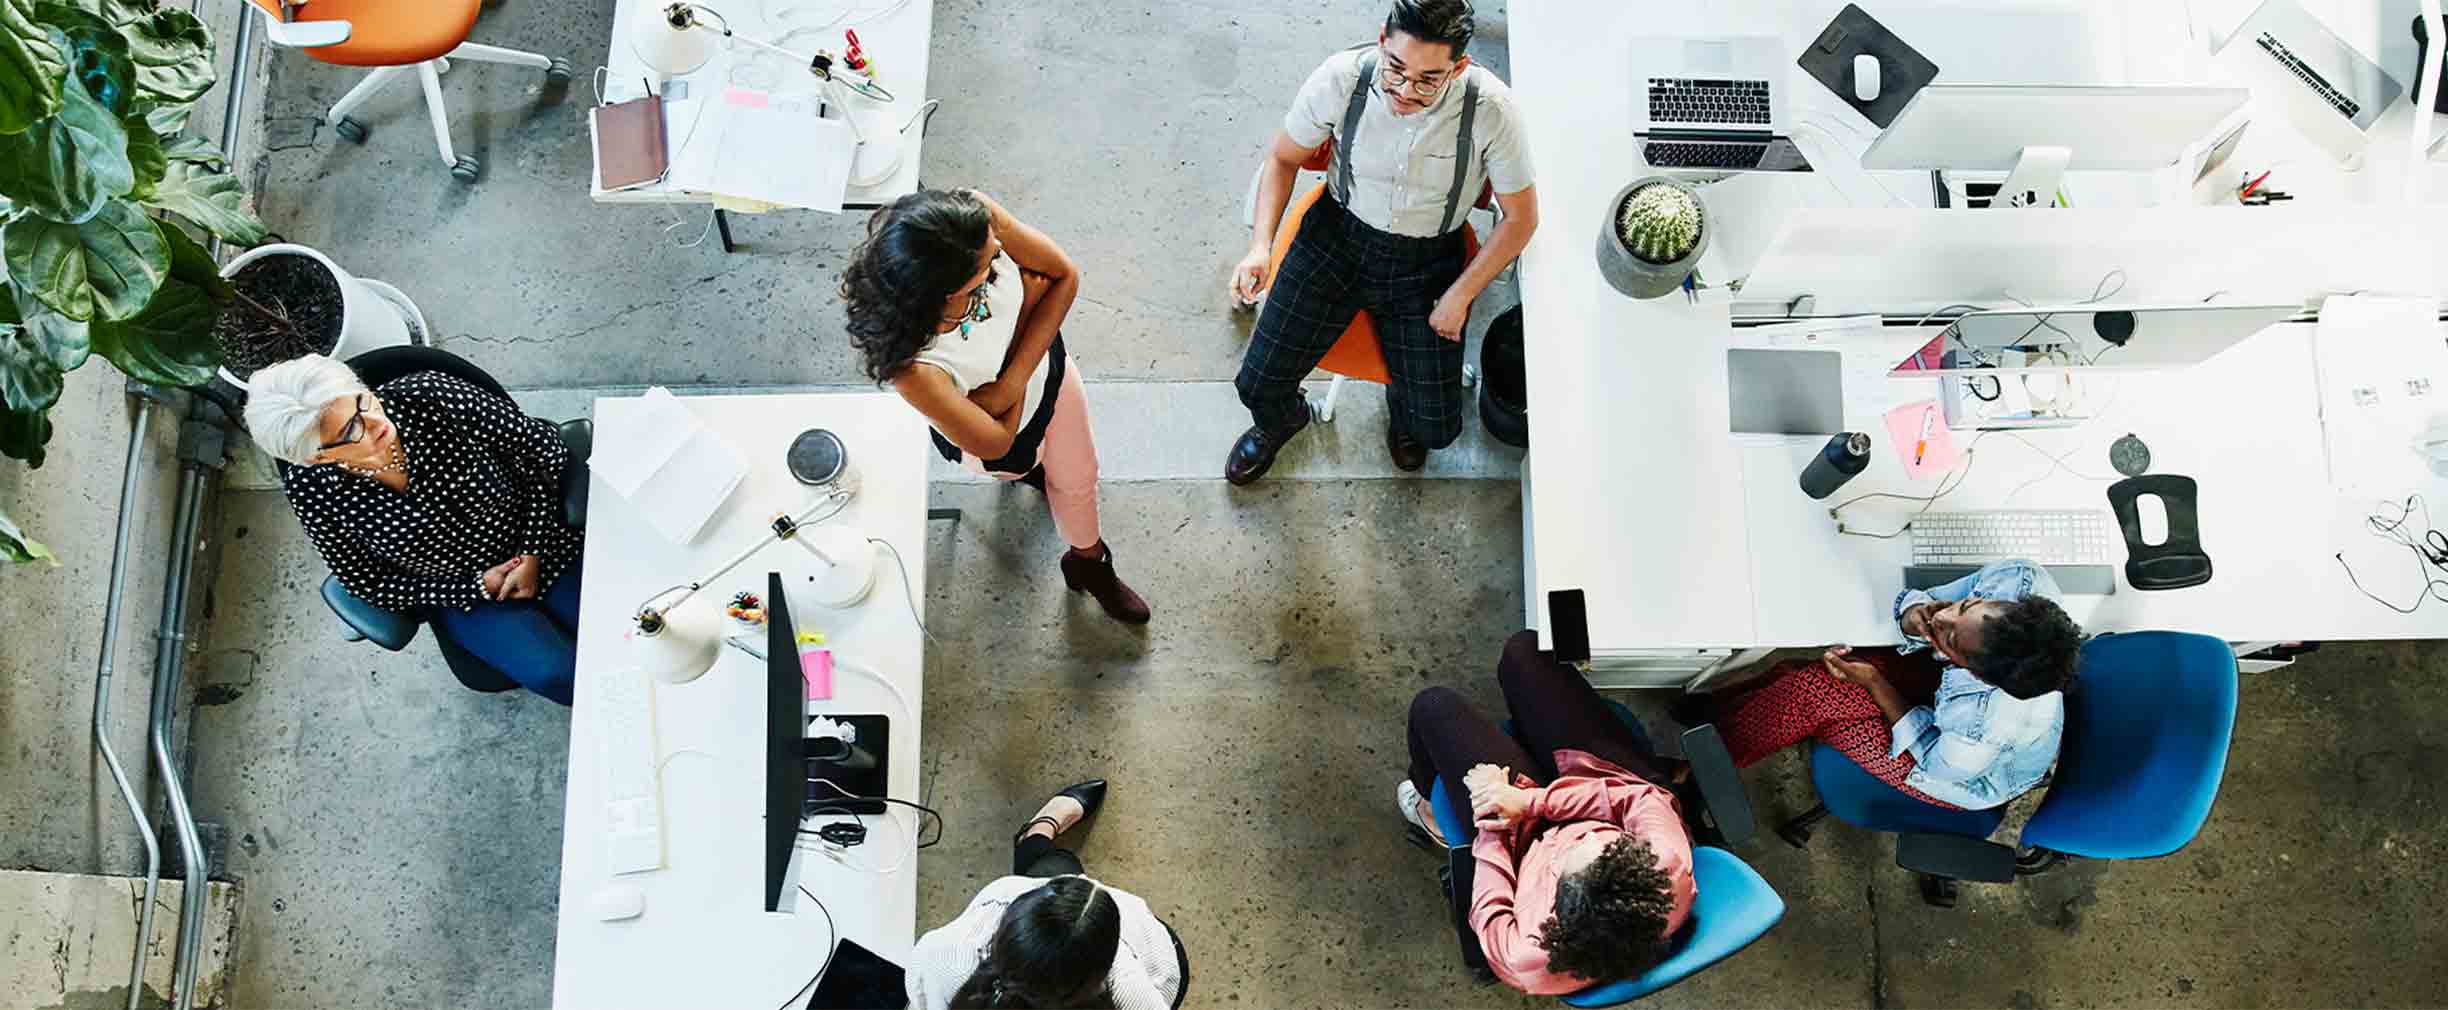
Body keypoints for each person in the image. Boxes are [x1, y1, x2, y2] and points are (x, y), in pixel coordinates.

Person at [1224, 0, 1539, 483]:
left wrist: (1460, 295)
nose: (1404, 90)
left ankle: (1404, 405)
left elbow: (1520, 219)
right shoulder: (1342, 78)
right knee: (1256, 385)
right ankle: (1283, 419)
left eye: (1428, 79)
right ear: (1382, 41)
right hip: (1337, 236)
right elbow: (1283, 159)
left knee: (1435, 429)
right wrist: (1260, 245)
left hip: (1428, 259)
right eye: (1396, 68)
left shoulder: (1492, 111)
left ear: (1459, 67)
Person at [840, 188, 1149, 624]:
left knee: (1078, 480)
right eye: (987, 269)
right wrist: (1026, 317)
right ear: (942, 293)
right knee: (1025, 467)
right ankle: (1037, 476)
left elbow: (1064, 277)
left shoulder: (975, 220)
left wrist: (1003, 392)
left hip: (1051, 379)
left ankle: (1090, 562)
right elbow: (996, 442)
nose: (1002, 253)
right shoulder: (914, 368)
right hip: (1010, 436)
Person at [242, 354, 584, 704]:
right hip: (461, 593)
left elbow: (543, 452)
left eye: (362, 401)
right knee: (558, 673)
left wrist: (532, 549)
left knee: (623, 628)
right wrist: (474, 587)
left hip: (540, 537)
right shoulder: (311, 487)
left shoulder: (434, 395)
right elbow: (364, 580)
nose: (375, 420)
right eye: (350, 430)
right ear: (318, 456)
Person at [1398, 631, 1696, 994]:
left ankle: (1430, 810)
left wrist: (1493, 810)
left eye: (1571, 851)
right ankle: (1531, 739)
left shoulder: (1522, 957)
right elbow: (1638, 798)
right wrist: (1530, 802)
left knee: (1433, 708)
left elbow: (1489, 904)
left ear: (1557, 903)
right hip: (1595, 782)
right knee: (1525, 651)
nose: (1580, 835)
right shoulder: (1665, 866)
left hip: (1519, 842)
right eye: (1609, 840)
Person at [1704, 559, 2083, 809]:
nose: (1945, 618)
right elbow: (1933, 603)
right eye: (1966, 607)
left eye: (1950, 641)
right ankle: (1716, 721)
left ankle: (1705, 764)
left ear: (1976, 673)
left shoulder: (1984, 726)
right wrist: (1915, 616)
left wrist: (1873, 682)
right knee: (1806, 680)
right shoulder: (2019, 580)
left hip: (1956, 770)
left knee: (1813, 696)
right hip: (1954, 701)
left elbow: (1936, 761)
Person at [905, 780, 1189, 1010]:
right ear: (1101, 975)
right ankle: (1039, 831)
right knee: (1058, 867)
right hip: (1147, 961)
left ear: (1008, 928)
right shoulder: (1131, 990)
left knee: (1049, 865)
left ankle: (1039, 830)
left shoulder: (942, 957)